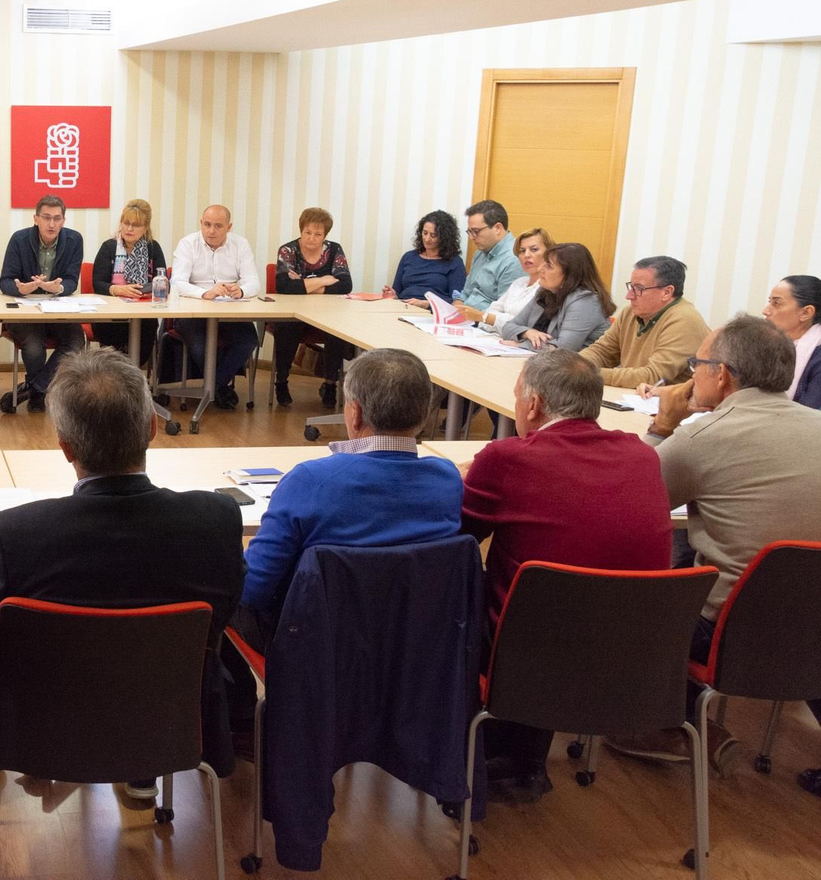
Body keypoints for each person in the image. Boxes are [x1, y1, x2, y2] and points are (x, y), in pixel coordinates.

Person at [0, 349, 244, 797]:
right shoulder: (215, 519)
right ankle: (141, 766)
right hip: (170, 715)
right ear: (153, 427)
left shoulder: (21, 532)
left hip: (45, 722)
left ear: (65, 447)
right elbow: (225, 613)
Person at [606, 316, 821, 772]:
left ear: (720, 374)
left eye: (696, 364)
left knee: (630, 601)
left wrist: (664, 424)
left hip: (735, 634)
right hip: (813, 629)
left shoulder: (703, 437)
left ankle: (677, 727)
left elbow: (628, 504)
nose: (692, 374)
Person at [460, 350, 670, 801]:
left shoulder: (507, 458)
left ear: (533, 405)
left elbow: (458, 536)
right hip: (634, 656)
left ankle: (463, 751)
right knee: (557, 593)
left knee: (458, 585)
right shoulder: (642, 456)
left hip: (527, 657)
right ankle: (523, 760)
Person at [233, 348, 463, 650]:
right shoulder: (448, 481)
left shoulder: (309, 481)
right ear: (423, 414)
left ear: (354, 413)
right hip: (412, 651)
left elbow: (253, 590)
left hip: (315, 650)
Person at [169, 204, 261, 410]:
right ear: (201, 223)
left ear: (229, 227)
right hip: (193, 310)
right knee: (201, 346)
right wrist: (204, 293)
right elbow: (176, 282)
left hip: (229, 310)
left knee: (248, 340)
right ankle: (220, 388)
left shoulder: (241, 245)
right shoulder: (187, 244)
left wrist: (242, 290)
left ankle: (216, 385)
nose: (211, 231)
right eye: (207, 225)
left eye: (218, 226)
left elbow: (253, 281)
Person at [0, 195, 86, 413]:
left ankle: (35, 388)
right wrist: (21, 289)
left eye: (57, 218)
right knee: (35, 346)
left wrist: (57, 288)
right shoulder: (19, 240)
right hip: (25, 311)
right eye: (46, 218)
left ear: (63, 220)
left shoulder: (74, 240)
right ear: (36, 219)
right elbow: (5, 281)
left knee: (77, 341)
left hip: (57, 309)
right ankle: (38, 392)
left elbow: (71, 281)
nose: (51, 224)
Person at [579, 255, 709, 388]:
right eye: (631, 287)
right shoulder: (630, 312)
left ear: (666, 292)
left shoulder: (684, 320)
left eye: (639, 289)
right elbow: (602, 351)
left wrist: (587, 374)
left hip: (665, 404)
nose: (629, 296)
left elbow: (652, 377)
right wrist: (575, 365)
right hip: (633, 398)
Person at [268, 207, 353, 408]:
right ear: (301, 231)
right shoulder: (288, 251)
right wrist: (323, 280)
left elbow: (345, 285)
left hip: (326, 314)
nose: (312, 238)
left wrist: (304, 285)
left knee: (337, 332)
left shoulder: (334, 250)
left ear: (325, 235)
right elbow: (284, 287)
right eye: (308, 232)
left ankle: (330, 384)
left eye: (318, 234)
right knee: (287, 328)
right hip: (293, 314)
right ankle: (281, 381)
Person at [495, 242, 615, 352]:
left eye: (549, 266)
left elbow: (563, 348)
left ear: (570, 275)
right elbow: (508, 327)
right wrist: (527, 333)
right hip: (546, 364)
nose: (540, 269)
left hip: (581, 370)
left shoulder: (585, 301)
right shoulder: (545, 292)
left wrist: (519, 345)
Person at [89, 199, 165, 359]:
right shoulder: (109, 247)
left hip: (143, 314)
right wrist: (118, 289)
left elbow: (163, 281)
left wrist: (144, 290)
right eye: (126, 223)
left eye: (136, 225)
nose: (129, 229)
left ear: (145, 228)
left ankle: (132, 379)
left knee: (146, 331)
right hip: (110, 315)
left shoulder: (153, 248)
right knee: (113, 354)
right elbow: (97, 283)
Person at [455, 228, 553, 332]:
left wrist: (485, 318)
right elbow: (492, 311)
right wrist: (489, 320)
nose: (526, 255)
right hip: (493, 337)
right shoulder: (519, 283)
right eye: (522, 251)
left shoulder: (547, 287)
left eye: (534, 249)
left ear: (549, 253)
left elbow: (522, 324)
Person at [383, 210, 465, 305]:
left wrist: (427, 304)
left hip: (432, 312)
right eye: (425, 233)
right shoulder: (408, 257)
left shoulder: (454, 262)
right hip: (404, 306)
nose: (427, 239)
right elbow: (397, 291)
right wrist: (393, 294)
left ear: (444, 237)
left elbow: (458, 301)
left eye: (433, 235)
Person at [763, 274, 821, 408]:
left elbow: (810, 416)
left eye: (776, 303)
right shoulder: (768, 345)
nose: (765, 311)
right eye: (769, 302)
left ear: (806, 313)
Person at [459, 199, 520, 310]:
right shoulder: (480, 252)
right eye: (469, 232)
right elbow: (466, 293)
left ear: (497, 228)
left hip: (484, 324)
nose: (472, 237)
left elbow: (505, 311)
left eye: (476, 231)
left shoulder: (514, 259)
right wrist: (454, 307)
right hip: (466, 317)